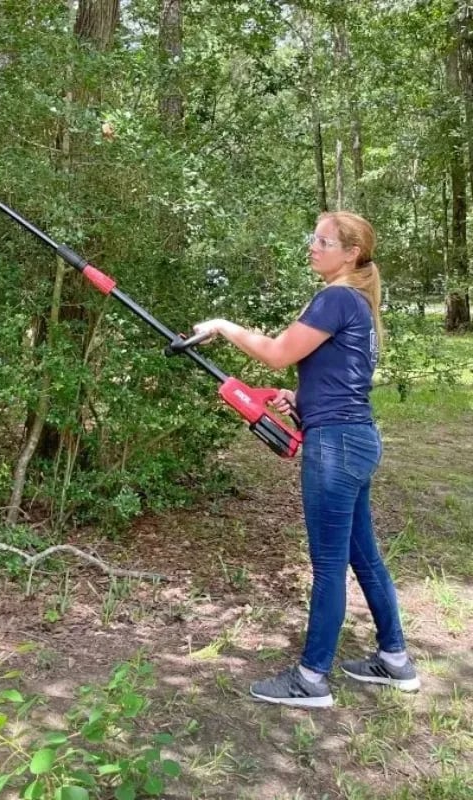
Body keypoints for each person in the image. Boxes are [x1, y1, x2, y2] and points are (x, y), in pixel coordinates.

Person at [191, 211, 420, 708]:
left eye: (323, 241)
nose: (313, 247)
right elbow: (341, 378)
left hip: (337, 447)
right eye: (314, 239)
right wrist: (302, 400)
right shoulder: (354, 301)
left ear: (350, 253)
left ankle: (312, 679)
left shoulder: (337, 297)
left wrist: (223, 326)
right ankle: (395, 660)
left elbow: (277, 353)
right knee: (363, 556)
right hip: (353, 438)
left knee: (330, 565)